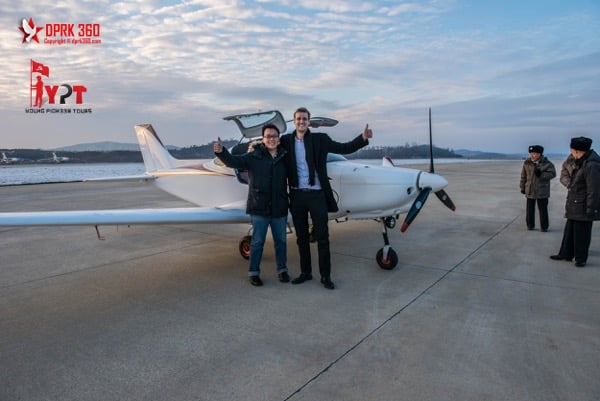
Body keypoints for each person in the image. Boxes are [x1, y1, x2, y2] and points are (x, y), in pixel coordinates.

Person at [279, 107, 372, 289]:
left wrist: (363, 139)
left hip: (317, 195)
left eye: (304, 119)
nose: (301, 121)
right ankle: (306, 273)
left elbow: (344, 148)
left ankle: (325, 276)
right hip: (297, 195)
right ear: (294, 121)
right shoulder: (285, 141)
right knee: (301, 238)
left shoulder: (320, 139)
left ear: (309, 121)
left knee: (322, 237)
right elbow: (269, 146)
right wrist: (254, 146)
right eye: (298, 119)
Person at [213, 123, 289, 286]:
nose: (271, 139)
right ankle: (254, 272)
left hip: (279, 207)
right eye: (268, 136)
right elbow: (233, 161)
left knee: (281, 241)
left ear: (279, 139)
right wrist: (221, 152)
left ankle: (282, 270)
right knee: (257, 242)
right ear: (263, 139)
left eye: (274, 136)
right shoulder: (254, 156)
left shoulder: (285, 157)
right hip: (259, 207)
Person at [550, 137, 600, 267]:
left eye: (572, 149)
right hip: (575, 202)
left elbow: (594, 189)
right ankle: (566, 253)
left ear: (577, 150)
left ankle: (580, 258)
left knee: (582, 233)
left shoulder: (591, 165)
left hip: (583, 204)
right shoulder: (580, 161)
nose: (571, 152)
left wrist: (591, 208)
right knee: (570, 230)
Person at [519, 145, 556, 232]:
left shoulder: (547, 163)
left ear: (540, 154)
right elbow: (523, 176)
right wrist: (522, 187)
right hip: (530, 189)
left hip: (542, 190)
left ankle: (544, 227)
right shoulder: (527, 163)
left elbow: (552, 174)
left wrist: (541, 175)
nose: (533, 155)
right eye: (532, 153)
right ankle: (530, 225)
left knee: (543, 210)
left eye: (535, 153)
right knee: (529, 210)